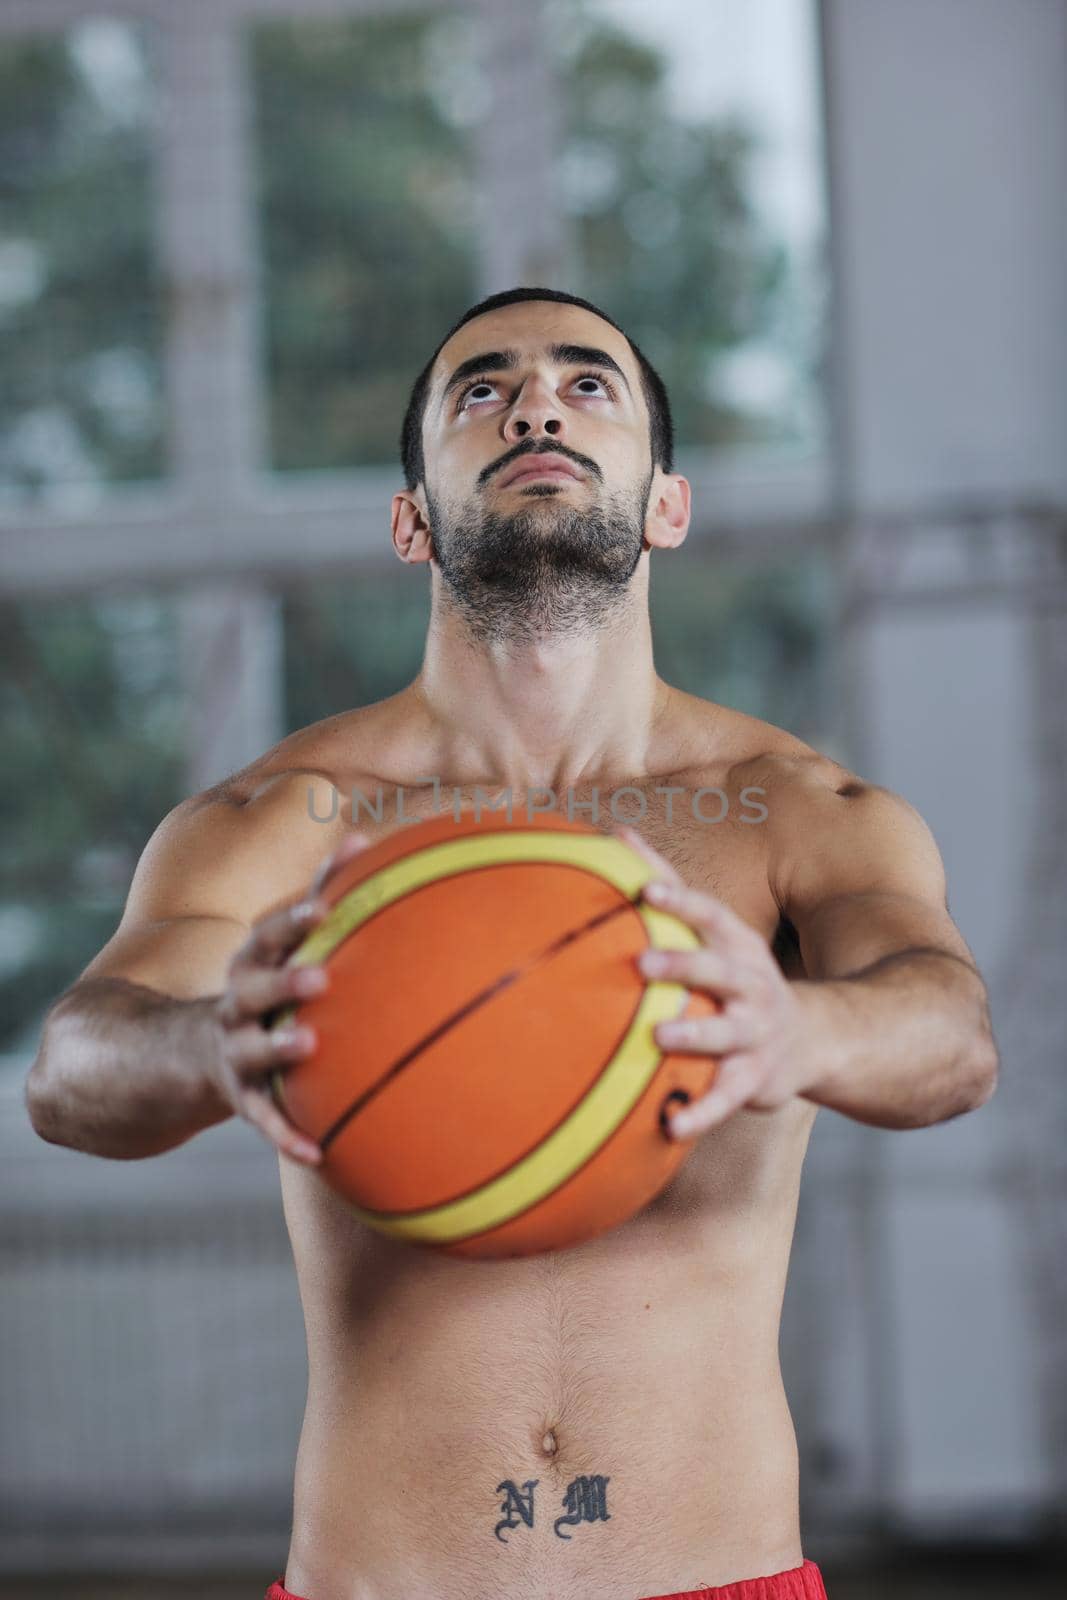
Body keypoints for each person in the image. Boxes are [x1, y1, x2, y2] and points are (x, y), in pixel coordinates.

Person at [26, 287, 999, 1600]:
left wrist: (796, 1025)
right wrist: (210, 1044)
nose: (534, 401)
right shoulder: (281, 824)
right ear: (409, 521)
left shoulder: (792, 809)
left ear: (670, 504)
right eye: (479, 390)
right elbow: (70, 1071)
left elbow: (951, 1031)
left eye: (588, 383)